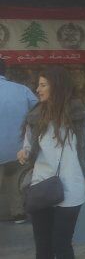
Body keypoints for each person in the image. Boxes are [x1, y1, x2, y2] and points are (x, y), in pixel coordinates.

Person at [18, 66, 85, 259]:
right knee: (43, 248)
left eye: (43, 85)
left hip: (72, 188)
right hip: (41, 185)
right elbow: (28, 147)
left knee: (61, 245)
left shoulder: (82, 115)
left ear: (57, 86)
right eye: (38, 85)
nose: (38, 90)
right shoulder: (35, 116)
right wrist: (24, 153)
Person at [0, 61, 37, 223]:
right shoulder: (22, 90)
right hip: (19, 149)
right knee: (15, 180)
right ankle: (18, 213)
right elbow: (40, 112)